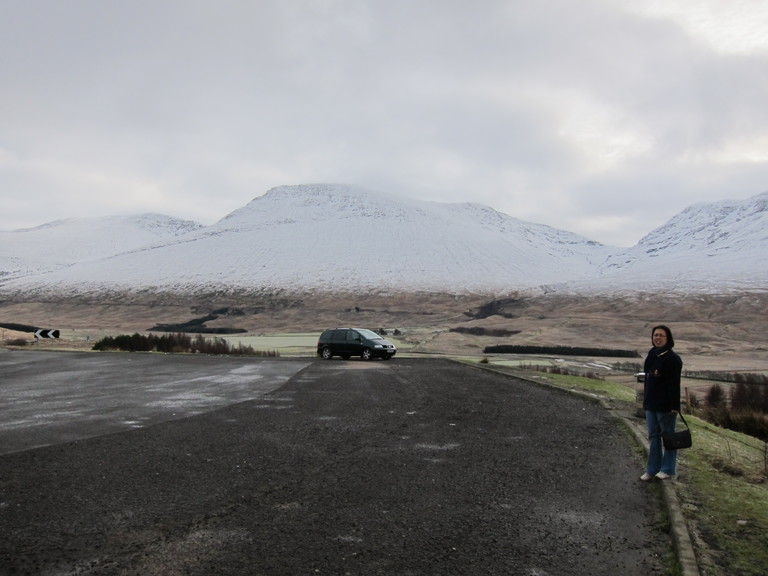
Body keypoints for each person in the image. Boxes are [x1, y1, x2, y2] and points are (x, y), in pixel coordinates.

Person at [641, 325, 683, 481]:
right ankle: (652, 469)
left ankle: (667, 469)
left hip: (665, 405)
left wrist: (674, 406)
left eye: (661, 335)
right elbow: (648, 378)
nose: (657, 338)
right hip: (651, 403)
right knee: (653, 437)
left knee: (668, 437)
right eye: (655, 335)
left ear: (668, 338)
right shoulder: (652, 354)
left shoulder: (673, 359)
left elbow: (674, 383)